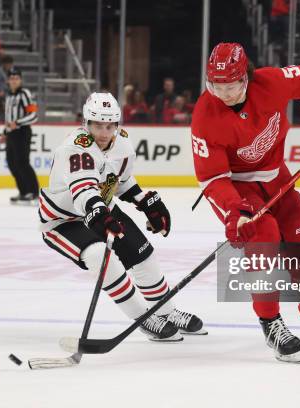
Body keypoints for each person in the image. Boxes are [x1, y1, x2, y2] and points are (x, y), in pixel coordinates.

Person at [191, 42, 300, 363]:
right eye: (216, 85)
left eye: (231, 85)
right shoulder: (204, 115)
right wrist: (234, 209)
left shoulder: (270, 82)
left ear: (247, 77)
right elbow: (212, 178)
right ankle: (271, 322)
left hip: (276, 177)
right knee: (263, 237)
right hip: (236, 188)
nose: (223, 93)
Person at [39, 92, 206, 341]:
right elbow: (83, 191)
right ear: (87, 123)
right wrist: (101, 215)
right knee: (100, 255)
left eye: (110, 125)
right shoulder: (75, 148)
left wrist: (145, 203)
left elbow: (121, 182)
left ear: (117, 125)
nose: (104, 132)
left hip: (100, 209)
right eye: (97, 125)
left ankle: (165, 311)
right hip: (63, 220)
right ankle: (143, 317)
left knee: (143, 254)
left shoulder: (122, 145)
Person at [2, 68, 39, 204]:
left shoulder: (25, 94)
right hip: (11, 134)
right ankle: (24, 192)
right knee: (12, 163)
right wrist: (5, 132)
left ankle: (34, 193)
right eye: (11, 78)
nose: (14, 80)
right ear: (8, 81)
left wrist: (17, 123)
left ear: (20, 80)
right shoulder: (8, 95)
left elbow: (33, 115)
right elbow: (7, 117)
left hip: (22, 132)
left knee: (23, 162)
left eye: (16, 78)